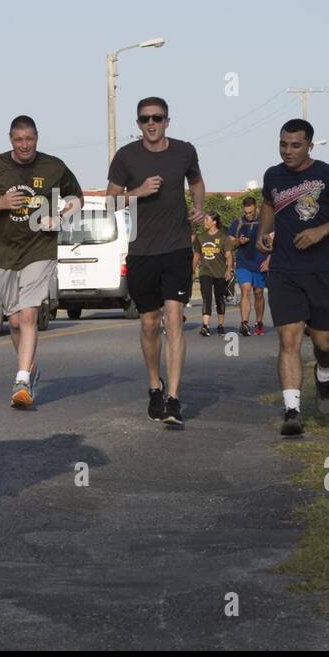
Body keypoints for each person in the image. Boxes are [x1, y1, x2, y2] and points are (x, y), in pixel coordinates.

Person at [255, 118, 329, 435]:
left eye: (296, 145)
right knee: (288, 340)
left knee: (323, 341)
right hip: (284, 270)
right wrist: (264, 231)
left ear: (309, 146)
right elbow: (267, 203)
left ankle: (325, 375)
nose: (288, 151)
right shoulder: (273, 175)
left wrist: (321, 231)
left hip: (321, 270)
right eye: (283, 144)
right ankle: (292, 411)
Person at [0, 115, 83, 408]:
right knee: (15, 321)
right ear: (10, 140)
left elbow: (76, 197)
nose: (25, 145)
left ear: (37, 137)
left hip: (40, 249)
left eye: (29, 139)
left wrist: (59, 217)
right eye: (19, 140)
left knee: (29, 315)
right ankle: (30, 367)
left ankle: (21, 380)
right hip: (5, 252)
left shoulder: (53, 167)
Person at [106, 97, 205, 428]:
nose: (151, 123)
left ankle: (174, 399)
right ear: (138, 124)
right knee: (149, 323)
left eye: (157, 118)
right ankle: (154, 386)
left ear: (167, 121)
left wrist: (200, 206)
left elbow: (197, 182)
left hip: (176, 247)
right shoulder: (126, 157)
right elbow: (110, 201)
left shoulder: (184, 151)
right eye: (145, 119)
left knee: (174, 318)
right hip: (141, 251)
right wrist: (139, 191)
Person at [228, 196, 266, 335]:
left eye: (250, 212)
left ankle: (259, 322)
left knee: (259, 293)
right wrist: (239, 241)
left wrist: (268, 260)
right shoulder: (237, 222)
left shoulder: (265, 222)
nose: (248, 215)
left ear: (255, 208)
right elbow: (230, 242)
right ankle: (244, 323)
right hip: (243, 263)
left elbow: (274, 241)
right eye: (246, 212)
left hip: (260, 263)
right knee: (245, 289)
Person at [193, 212, 231, 336]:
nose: (205, 222)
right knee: (206, 297)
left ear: (214, 222)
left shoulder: (223, 237)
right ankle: (205, 325)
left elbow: (229, 255)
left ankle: (221, 325)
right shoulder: (200, 237)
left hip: (220, 272)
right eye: (205, 219)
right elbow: (197, 255)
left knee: (220, 298)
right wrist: (192, 270)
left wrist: (228, 270)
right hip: (205, 271)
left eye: (207, 219)